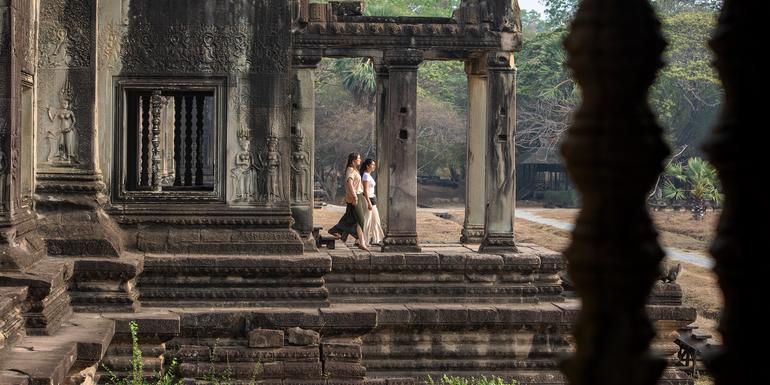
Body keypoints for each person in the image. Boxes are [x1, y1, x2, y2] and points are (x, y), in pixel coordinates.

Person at [329, 153, 369, 251]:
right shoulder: (350, 170)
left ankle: (358, 241)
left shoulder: (354, 170)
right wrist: (355, 197)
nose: (360, 160)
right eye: (358, 158)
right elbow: (350, 183)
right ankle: (360, 241)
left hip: (357, 196)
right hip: (354, 197)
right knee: (361, 220)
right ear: (353, 161)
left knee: (352, 219)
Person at [360, 158, 384, 246]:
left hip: (372, 198)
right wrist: (369, 203)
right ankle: (364, 241)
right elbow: (365, 191)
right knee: (367, 220)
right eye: (372, 165)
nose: (374, 166)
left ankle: (377, 239)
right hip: (367, 199)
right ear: (367, 166)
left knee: (376, 219)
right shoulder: (365, 175)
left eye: (374, 165)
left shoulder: (369, 175)